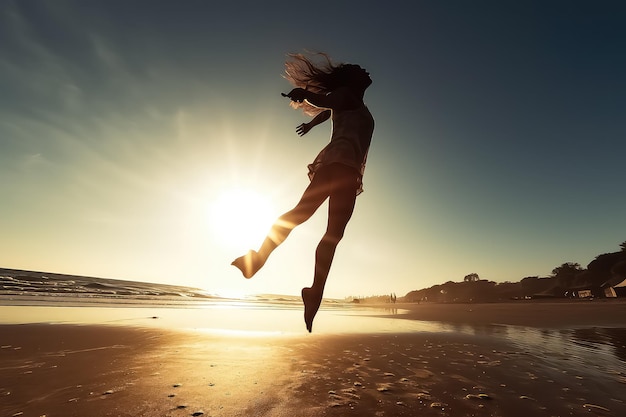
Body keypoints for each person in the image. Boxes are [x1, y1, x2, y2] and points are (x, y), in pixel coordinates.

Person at [232, 52, 374, 332]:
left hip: (345, 167)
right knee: (309, 220)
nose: (365, 69)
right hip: (339, 163)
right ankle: (298, 281)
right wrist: (305, 95)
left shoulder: (350, 100)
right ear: (350, 79)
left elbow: (328, 108)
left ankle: (301, 285)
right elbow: (325, 102)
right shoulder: (346, 94)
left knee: (319, 226)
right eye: (358, 68)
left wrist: (310, 122)